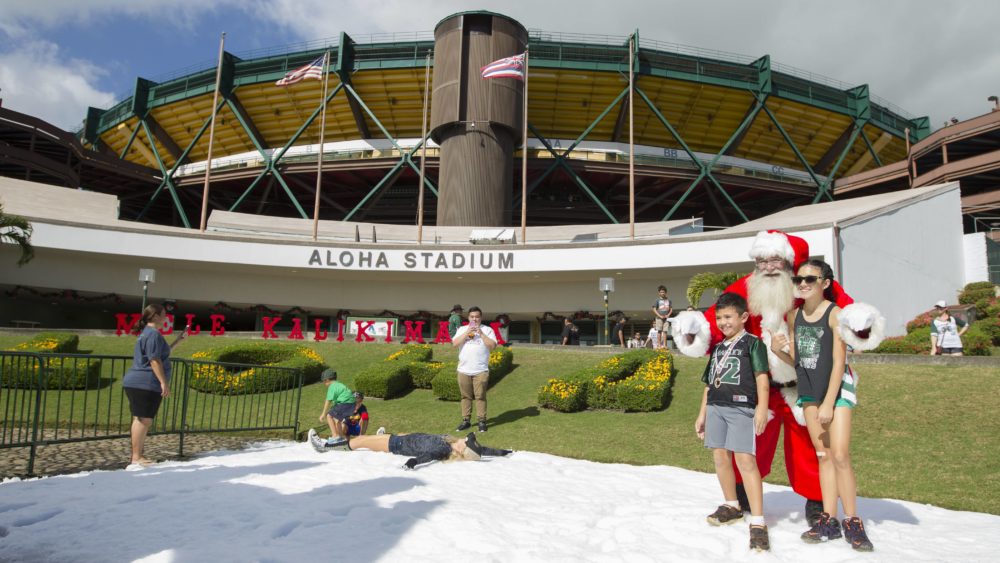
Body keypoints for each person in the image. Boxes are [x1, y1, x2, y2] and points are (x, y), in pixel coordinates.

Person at [671, 230, 885, 527]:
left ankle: (818, 501)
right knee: (749, 443)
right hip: (759, 386)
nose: (768, 266)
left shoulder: (808, 284)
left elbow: (847, 313)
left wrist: (860, 322)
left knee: (813, 448)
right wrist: (695, 328)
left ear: (789, 261)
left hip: (805, 384)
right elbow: (717, 319)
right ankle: (742, 495)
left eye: (775, 259)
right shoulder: (745, 287)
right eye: (762, 260)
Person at [769, 260, 874, 551]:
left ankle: (853, 521)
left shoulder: (835, 314)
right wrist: (780, 352)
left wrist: (829, 402)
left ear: (825, 283)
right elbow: (801, 363)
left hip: (836, 391)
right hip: (809, 391)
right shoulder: (793, 316)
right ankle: (828, 520)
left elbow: (839, 362)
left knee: (840, 455)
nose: (802, 284)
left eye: (810, 279)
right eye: (798, 279)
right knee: (822, 456)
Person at [695, 292, 771, 552]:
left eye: (728, 317)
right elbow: (708, 384)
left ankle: (758, 521)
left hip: (741, 408)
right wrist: (702, 414)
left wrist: (762, 408)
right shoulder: (717, 348)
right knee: (720, 457)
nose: (723, 322)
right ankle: (732, 504)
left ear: (743, 317)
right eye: (719, 318)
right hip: (716, 406)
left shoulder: (753, 343)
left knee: (745, 460)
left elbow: (762, 378)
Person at [122, 303, 187, 469]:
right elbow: (154, 360)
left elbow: (160, 355)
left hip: (138, 382)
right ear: (156, 316)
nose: (166, 317)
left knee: (142, 418)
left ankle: (137, 455)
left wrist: (177, 342)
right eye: (164, 314)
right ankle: (136, 457)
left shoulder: (148, 334)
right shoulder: (153, 334)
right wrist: (163, 382)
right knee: (144, 419)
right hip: (145, 382)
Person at [308, 429, 512, 469]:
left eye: (464, 443)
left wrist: (413, 462)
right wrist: (503, 452)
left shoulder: (443, 450)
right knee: (368, 439)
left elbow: (427, 455)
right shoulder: (449, 443)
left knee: (360, 440)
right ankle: (381, 436)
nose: (463, 440)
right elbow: (482, 450)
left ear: (461, 452)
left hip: (396, 445)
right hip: (401, 439)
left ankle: (324, 447)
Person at [452, 306, 497, 433]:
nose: (475, 319)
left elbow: (492, 346)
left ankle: (482, 421)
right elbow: (454, 344)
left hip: (480, 370)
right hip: (464, 369)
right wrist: (467, 333)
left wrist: (481, 333)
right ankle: (466, 421)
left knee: (480, 396)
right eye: (472, 317)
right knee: (465, 397)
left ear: (481, 318)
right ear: (468, 318)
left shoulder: (487, 330)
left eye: (477, 317)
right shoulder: (462, 329)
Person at [319, 369, 356, 447]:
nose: (324, 384)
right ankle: (341, 437)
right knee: (337, 420)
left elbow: (328, 401)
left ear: (327, 380)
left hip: (345, 402)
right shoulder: (339, 384)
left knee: (329, 416)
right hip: (352, 404)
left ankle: (335, 435)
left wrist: (323, 414)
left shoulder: (332, 386)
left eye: (324, 382)